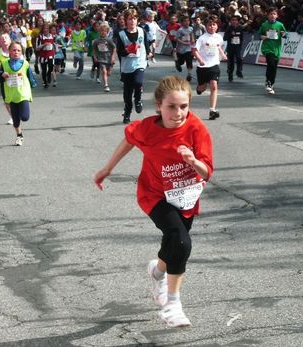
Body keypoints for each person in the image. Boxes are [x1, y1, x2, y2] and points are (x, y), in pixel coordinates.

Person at [94, 75, 213, 328]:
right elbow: (129, 140)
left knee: (174, 243)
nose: (178, 112)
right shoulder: (147, 128)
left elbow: (207, 172)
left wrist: (193, 161)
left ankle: (157, 271)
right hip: (154, 194)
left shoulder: (196, 129)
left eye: (184, 106)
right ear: (159, 105)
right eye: (172, 106)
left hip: (185, 196)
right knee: (180, 241)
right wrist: (108, 168)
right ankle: (173, 305)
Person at [0, 41, 37, 146]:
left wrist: (33, 84)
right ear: (9, 52)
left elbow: (30, 76)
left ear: (21, 53)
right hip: (11, 95)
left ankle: (21, 112)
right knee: (16, 121)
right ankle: (19, 136)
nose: (16, 52)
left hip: (23, 94)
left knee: (25, 117)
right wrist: (2, 75)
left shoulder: (25, 63)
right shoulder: (4, 63)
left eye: (18, 50)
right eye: (14, 50)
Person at [116, 8, 151, 124]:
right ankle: (127, 112)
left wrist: (149, 52)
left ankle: (138, 99)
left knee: (138, 82)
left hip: (139, 63)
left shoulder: (142, 31)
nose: (132, 21)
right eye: (130, 19)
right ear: (126, 21)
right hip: (127, 66)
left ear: (137, 20)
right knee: (127, 95)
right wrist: (127, 50)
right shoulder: (121, 35)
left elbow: (146, 45)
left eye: (134, 19)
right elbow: (120, 52)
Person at [192, 15, 227, 120]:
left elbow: (218, 47)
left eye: (214, 25)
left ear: (217, 26)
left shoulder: (219, 37)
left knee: (214, 85)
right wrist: (200, 60)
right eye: (209, 25)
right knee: (202, 88)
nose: (212, 27)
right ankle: (199, 87)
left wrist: (223, 54)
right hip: (202, 66)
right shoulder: (202, 38)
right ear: (206, 26)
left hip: (214, 64)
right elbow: (194, 50)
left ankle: (212, 109)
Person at [259, 7, 287, 95]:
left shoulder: (280, 25)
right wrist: (262, 37)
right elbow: (259, 34)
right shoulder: (264, 25)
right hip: (267, 48)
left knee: (274, 67)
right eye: (271, 14)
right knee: (270, 64)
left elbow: (285, 34)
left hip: (276, 49)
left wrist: (284, 34)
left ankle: (271, 83)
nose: (272, 15)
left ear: (277, 15)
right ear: (267, 16)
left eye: (274, 14)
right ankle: (268, 82)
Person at [0, 33, 13, 123]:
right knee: (6, 99)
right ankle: (12, 116)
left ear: (10, 40)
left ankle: (17, 112)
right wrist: (2, 67)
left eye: (6, 38)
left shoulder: (15, 49)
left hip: (15, 77)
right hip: (4, 79)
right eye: (2, 39)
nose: (4, 40)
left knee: (15, 97)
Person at [92, 22, 116, 92]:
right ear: (99, 31)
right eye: (101, 31)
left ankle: (110, 69)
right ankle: (106, 85)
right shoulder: (96, 41)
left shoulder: (109, 40)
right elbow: (94, 49)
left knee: (108, 73)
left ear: (107, 32)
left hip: (109, 58)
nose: (103, 32)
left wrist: (113, 57)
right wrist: (95, 57)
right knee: (104, 71)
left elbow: (114, 48)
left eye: (105, 31)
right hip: (101, 59)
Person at [223, 14, 244, 82]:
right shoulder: (229, 28)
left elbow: (242, 37)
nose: (234, 21)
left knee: (239, 58)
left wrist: (241, 43)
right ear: (230, 21)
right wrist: (230, 35)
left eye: (236, 20)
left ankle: (239, 71)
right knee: (231, 61)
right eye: (233, 20)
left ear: (238, 21)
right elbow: (224, 38)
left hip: (238, 46)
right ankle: (230, 74)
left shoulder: (240, 27)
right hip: (230, 47)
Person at [175, 15, 194, 81]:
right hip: (181, 48)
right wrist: (184, 43)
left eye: (188, 21)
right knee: (181, 62)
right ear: (182, 22)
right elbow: (177, 39)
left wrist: (192, 41)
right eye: (185, 21)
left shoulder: (191, 28)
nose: (187, 22)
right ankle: (177, 62)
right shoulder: (180, 30)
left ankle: (189, 74)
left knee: (189, 60)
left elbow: (192, 36)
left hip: (188, 48)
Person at [35, 22, 55, 89]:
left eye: (47, 28)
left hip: (50, 54)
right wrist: (43, 45)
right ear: (42, 29)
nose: (46, 29)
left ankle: (49, 75)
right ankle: (45, 82)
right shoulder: (40, 37)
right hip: (43, 55)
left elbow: (54, 44)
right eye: (44, 28)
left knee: (51, 67)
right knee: (44, 69)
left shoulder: (52, 36)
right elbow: (37, 48)